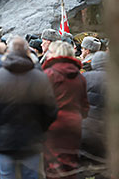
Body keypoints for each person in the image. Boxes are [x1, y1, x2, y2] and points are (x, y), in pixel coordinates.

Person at [0, 36, 57, 179]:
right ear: (28, 52)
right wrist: (40, 128)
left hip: (4, 141)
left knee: (6, 176)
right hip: (32, 139)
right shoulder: (40, 78)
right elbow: (51, 110)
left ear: (8, 52)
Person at [42, 41, 89, 179]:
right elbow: (85, 106)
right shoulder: (80, 77)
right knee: (70, 165)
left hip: (53, 125)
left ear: (56, 54)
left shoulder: (49, 74)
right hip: (74, 124)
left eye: (50, 52)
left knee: (53, 166)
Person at [80, 52, 108, 179]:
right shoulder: (118, 80)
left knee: (83, 167)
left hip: (85, 130)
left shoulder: (84, 77)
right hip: (106, 132)